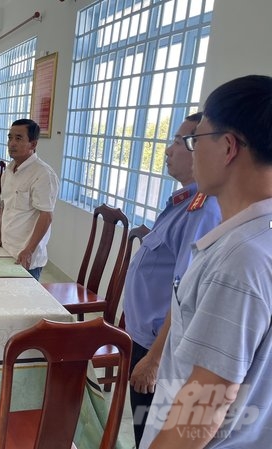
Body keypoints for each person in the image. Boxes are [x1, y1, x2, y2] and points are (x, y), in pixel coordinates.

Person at [141, 74, 272, 448]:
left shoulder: (239, 260)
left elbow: (200, 415)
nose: (191, 152)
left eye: (196, 141)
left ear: (228, 147)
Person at [122, 112, 222, 446]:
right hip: (144, 338)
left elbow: (184, 294)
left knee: (149, 431)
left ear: (201, 149)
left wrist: (153, 360)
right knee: (144, 426)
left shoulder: (203, 210)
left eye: (178, 142)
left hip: (158, 349)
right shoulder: (183, 203)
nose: (167, 150)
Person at [0, 118, 59, 280]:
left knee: (22, 303)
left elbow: (46, 216)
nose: (12, 143)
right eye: (10, 138)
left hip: (25, 256)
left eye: (19, 138)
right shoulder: (8, 170)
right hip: (6, 248)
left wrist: (29, 250)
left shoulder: (43, 174)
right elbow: (5, 206)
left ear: (33, 144)